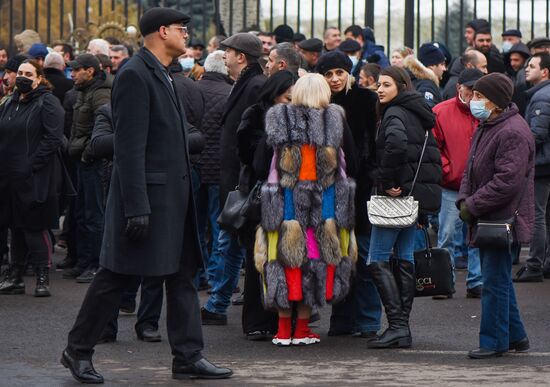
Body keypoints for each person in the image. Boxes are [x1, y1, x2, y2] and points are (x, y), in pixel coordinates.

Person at [61, 8, 232, 383]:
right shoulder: (135, 75)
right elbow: (128, 147)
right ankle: (77, 351)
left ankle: (188, 356)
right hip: (146, 203)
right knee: (115, 277)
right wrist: (136, 206)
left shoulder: (167, 74)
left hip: (174, 199)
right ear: (162, 31)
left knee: (184, 276)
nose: (187, 35)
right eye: (182, 30)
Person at [254, 73, 357, 346]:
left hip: (285, 207)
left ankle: (281, 330)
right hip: (324, 207)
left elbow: (262, 162)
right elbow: (349, 164)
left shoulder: (279, 118)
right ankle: (301, 330)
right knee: (313, 262)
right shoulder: (334, 119)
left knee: (283, 262)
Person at [457, 72, 533, 359]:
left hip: (500, 218)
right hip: (488, 215)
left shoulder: (511, 131)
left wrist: (472, 204)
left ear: (496, 102)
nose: (473, 100)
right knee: (498, 279)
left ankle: (494, 341)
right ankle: (516, 336)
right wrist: (467, 198)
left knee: (494, 282)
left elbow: (507, 182)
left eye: (479, 96)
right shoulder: (489, 125)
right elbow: (472, 167)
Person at [367, 66, 441, 349]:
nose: (380, 89)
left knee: (377, 259)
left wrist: (387, 181)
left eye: (386, 84)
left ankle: (398, 326)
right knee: (405, 256)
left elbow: (396, 145)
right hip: (413, 198)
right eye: (378, 85)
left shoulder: (394, 113)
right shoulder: (417, 111)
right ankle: (402, 328)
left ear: (401, 85)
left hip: (396, 197)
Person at [201, 32, 265, 326]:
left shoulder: (254, 85)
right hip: (235, 178)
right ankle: (218, 303)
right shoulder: (244, 83)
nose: (222, 55)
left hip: (243, 180)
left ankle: (218, 304)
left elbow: (253, 136)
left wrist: (244, 174)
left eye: (226, 52)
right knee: (232, 242)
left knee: (231, 242)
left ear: (241, 56)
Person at [314, 51, 380, 338]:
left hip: (361, 188)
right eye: (329, 74)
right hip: (330, 191)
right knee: (337, 258)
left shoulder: (366, 100)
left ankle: (367, 321)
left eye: (340, 72)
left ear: (349, 73)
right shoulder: (320, 102)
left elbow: (375, 144)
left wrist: (372, 176)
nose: (335, 78)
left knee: (364, 257)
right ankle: (341, 320)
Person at [0, 60, 71, 297]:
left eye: (28, 74)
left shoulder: (47, 102)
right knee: (15, 228)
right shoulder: (11, 102)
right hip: (9, 178)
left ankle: (43, 277)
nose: (22, 77)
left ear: (39, 78)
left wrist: (31, 165)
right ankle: (16, 277)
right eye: (19, 73)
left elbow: (52, 139)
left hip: (35, 177)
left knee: (34, 228)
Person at [237, 70, 297, 340]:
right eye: (287, 93)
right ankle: (257, 321)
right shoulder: (255, 114)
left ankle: (285, 318)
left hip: (293, 197)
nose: (292, 98)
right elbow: (253, 160)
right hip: (264, 195)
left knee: (288, 258)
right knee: (260, 260)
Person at [432, 69, 485, 299]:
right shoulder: (441, 111)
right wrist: (448, 172)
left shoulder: (486, 110)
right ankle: (446, 282)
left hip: (478, 184)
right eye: (469, 88)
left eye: (477, 90)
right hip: (451, 184)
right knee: (446, 236)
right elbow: (434, 147)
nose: (473, 94)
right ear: (459, 87)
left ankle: (476, 281)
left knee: (478, 235)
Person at [63, 54, 111, 283]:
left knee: (94, 215)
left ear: (90, 71)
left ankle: (96, 264)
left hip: (93, 162)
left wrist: (86, 153)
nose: (72, 74)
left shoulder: (101, 92)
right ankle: (83, 261)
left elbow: (102, 127)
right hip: (82, 161)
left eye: (76, 70)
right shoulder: (83, 90)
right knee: (81, 212)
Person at [196, 51, 234, 290]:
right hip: (220, 169)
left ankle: (197, 273)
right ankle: (215, 276)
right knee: (219, 225)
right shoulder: (230, 94)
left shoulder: (192, 90)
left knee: (196, 226)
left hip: (195, 165)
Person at [514, 53, 550, 283]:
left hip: (542, 166)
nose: (527, 69)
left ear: (545, 71)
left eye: (532, 66)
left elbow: (536, 135)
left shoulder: (541, 98)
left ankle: (535, 265)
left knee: (537, 216)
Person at [403, 44, 444, 108]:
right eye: (442, 64)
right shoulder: (427, 84)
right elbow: (427, 109)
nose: (444, 68)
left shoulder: (412, 78)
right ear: (432, 66)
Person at [505, 43, 531, 116]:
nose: (512, 63)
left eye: (516, 60)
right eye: (511, 60)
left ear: (525, 60)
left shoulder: (526, 76)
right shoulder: (508, 74)